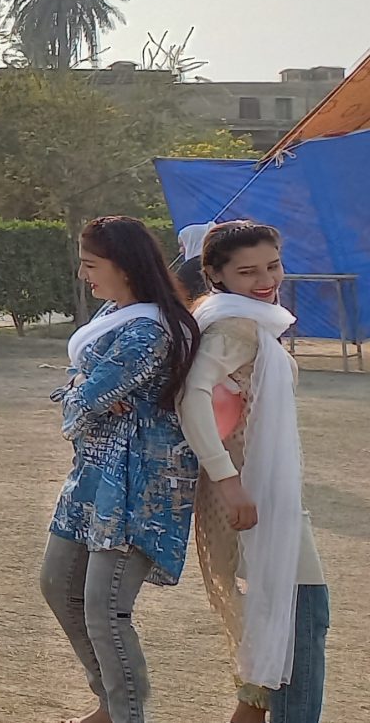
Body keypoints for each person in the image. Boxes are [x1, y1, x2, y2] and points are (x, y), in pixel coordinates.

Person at [41, 215, 202, 723]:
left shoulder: (148, 330)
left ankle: (126, 714)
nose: (83, 275)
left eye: (91, 265)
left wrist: (81, 393)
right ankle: (111, 703)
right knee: (58, 584)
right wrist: (81, 389)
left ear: (125, 267)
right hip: (95, 475)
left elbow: (78, 408)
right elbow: (81, 388)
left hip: (138, 483)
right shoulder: (116, 312)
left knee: (105, 608)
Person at [185, 222, 326, 723]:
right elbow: (192, 396)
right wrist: (227, 479)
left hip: (261, 486)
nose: (265, 280)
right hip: (251, 491)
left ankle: (249, 712)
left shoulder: (244, 319)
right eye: (247, 272)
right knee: (304, 616)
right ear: (215, 275)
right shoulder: (233, 326)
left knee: (279, 613)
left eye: (273, 265)